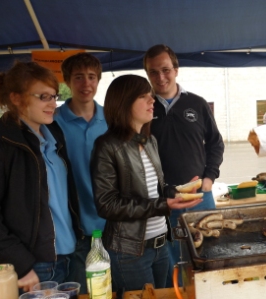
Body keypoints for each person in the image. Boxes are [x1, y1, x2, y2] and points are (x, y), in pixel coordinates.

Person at [90, 74, 203, 295]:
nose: (152, 101)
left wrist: (178, 191)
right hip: (130, 251)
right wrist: (164, 204)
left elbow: (156, 191)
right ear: (124, 103)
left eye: (151, 96)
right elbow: (107, 205)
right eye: (143, 96)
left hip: (161, 246)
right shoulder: (106, 146)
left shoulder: (149, 141)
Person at [143, 44, 224, 286]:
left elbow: (215, 143)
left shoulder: (197, 104)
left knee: (208, 256)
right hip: (163, 202)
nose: (160, 77)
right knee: (171, 264)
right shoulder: (144, 107)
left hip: (201, 197)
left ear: (176, 70)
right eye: (153, 72)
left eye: (165, 69)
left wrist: (209, 178)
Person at [0, 61, 82, 292]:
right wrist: (21, 264)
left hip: (68, 253)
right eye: (44, 97)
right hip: (34, 265)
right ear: (16, 98)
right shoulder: (4, 143)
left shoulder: (53, 134)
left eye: (54, 96)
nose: (53, 104)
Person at [54, 52, 108, 294]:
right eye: (78, 77)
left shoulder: (112, 119)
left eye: (91, 77)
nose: (86, 84)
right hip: (74, 227)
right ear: (66, 81)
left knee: (112, 288)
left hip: (112, 224)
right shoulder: (52, 122)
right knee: (82, 290)